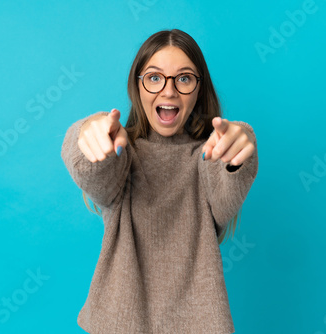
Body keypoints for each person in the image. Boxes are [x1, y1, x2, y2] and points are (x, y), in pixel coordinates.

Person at [61, 29, 258, 334]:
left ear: (198, 88)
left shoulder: (207, 159)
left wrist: (239, 144)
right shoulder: (121, 156)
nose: (169, 91)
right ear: (136, 86)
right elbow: (92, 170)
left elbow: (227, 182)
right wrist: (88, 129)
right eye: (154, 78)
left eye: (184, 78)